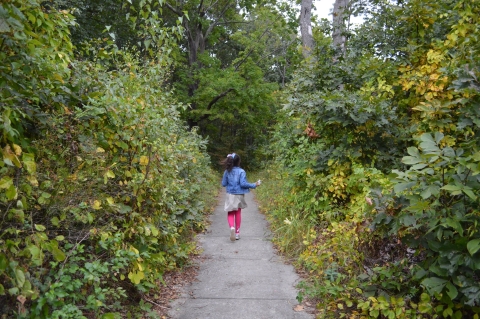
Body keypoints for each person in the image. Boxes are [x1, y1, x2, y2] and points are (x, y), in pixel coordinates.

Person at [221, 153, 260, 241]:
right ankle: (237, 233)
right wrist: (254, 184)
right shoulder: (242, 171)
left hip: (230, 194)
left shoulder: (227, 171)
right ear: (238, 161)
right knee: (238, 213)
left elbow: (223, 184)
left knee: (230, 213)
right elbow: (243, 184)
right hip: (239, 195)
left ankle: (232, 228)